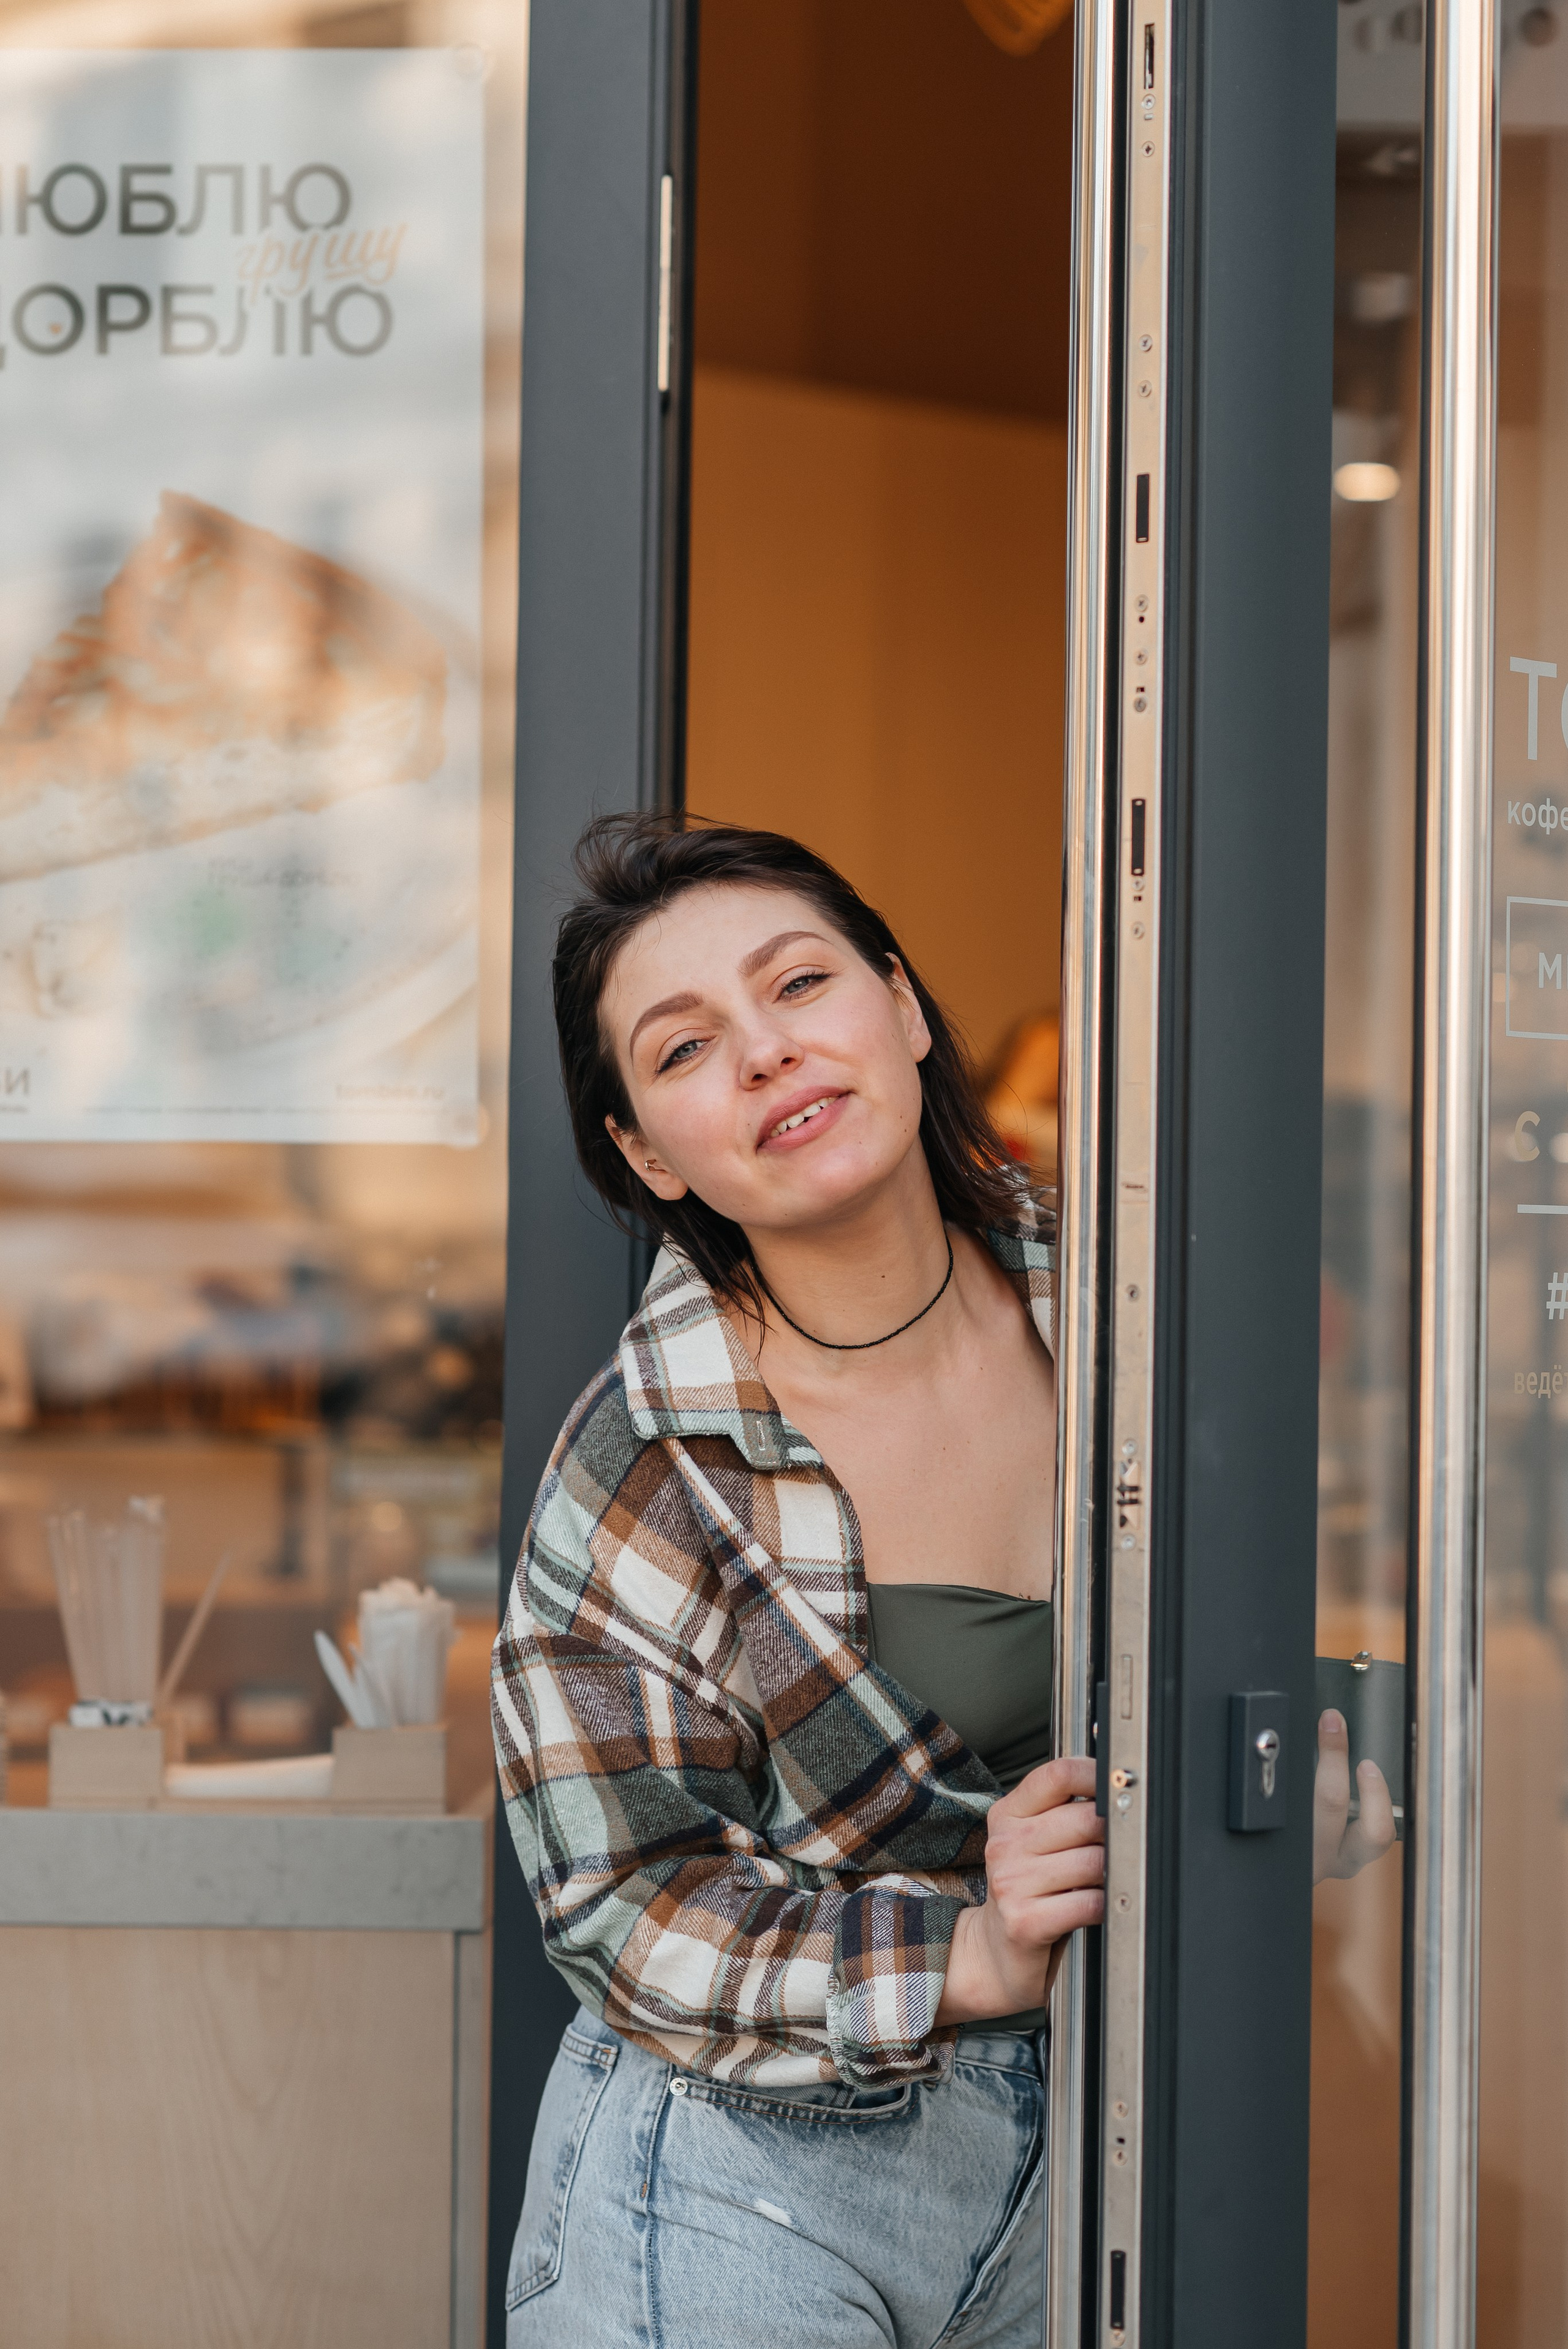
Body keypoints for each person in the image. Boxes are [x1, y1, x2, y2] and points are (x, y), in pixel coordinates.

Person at [491, 813, 1393, 2348]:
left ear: (900, 1010)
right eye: (686, 1046)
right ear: (649, 1152)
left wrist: (1299, 1795)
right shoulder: (644, 1460)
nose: (767, 1053)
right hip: (733, 2185)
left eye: (798, 984)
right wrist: (963, 1951)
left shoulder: (1127, 1312)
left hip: (1092, 2155)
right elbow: (619, 1900)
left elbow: (1304, 1646)